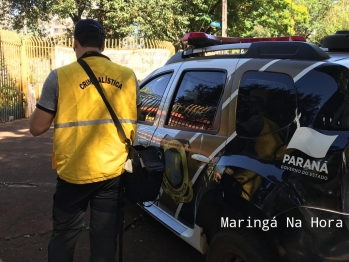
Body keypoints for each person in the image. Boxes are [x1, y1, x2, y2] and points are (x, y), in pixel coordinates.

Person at [29, 18, 141, 262]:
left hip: (73, 172)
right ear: (102, 44)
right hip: (112, 171)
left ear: (75, 43)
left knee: (65, 235)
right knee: (104, 236)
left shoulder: (60, 77)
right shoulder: (129, 76)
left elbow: (36, 128)